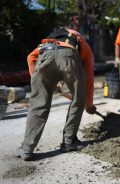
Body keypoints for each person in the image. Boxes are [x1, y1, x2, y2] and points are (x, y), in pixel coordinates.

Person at [15, 27, 96, 161]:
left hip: (45, 53)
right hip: (69, 55)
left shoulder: (52, 38)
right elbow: (89, 79)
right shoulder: (85, 45)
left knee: (38, 104)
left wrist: (38, 84)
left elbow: (30, 57)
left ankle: (27, 149)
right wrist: (88, 104)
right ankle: (69, 142)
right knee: (78, 99)